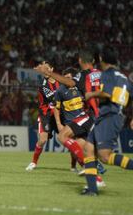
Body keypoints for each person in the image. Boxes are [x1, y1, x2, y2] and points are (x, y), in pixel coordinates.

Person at [34, 49, 107, 175]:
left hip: (90, 114)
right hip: (106, 116)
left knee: (63, 136)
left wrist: (49, 73)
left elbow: (69, 82)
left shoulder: (83, 75)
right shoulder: (103, 74)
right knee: (84, 146)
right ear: (94, 61)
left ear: (80, 60)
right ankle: (94, 175)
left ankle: (88, 166)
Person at [82, 46, 133, 196]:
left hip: (110, 117)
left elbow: (107, 93)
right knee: (88, 149)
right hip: (108, 117)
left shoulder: (107, 74)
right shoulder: (123, 76)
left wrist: (91, 94)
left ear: (102, 60)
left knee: (104, 156)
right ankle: (92, 189)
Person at [53, 67, 105, 186]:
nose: (67, 80)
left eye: (69, 77)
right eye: (65, 78)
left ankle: (91, 168)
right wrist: (58, 123)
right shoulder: (60, 91)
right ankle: (96, 177)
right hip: (73, 121)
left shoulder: (79, 87)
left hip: (83, 119)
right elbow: (56, 108)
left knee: (65, 138)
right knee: (81, 148)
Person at [26, 61, 60, 171]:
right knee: (42, 140)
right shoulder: (44, 86)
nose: (45, 71)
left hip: (59, 114)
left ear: (52, 69)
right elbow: (55, 100)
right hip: (46, 115)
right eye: (43, 69)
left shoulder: (60, 81)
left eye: (47, 68)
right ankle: (33, 162)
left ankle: (74, 166)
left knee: (69, 137)